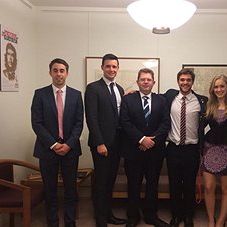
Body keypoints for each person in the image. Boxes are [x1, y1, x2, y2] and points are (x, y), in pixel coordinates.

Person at [31, 58, 84, 227]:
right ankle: (52, 223)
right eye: (55, 70)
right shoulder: (40, 94)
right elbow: (36, 123)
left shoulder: (76, 95)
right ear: (50, 73)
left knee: (70, 191)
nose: (59, 74)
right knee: (50, 190)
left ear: (67, 73)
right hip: (47, 151)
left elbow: (79, 123)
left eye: (62, 70)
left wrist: (68, 144)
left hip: (71, 150)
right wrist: (54, 145)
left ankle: (70, 222)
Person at [120, 68, 171, 227]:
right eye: (143, 79)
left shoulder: (162, 100)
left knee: (152, 186)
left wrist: (151, 141)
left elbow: (166, 123)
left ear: (153, 82)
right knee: (133, 186)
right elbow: (125, 122)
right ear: (138, 82)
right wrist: (141, 139)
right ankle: (133, 217)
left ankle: (151, 215)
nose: (146, 82)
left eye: (149, 79)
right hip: (133, 152)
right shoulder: (128, 100)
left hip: (155, 152)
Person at [84, 53, 127, 227]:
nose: (111, 69)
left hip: (117, 142)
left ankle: (108, 214)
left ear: (118, 68)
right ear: (102, 67)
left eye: (114, 66)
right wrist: (100, 142)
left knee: (110, 182)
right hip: (101, 144)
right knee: (101, 183)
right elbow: (91, 118)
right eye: (108, 66)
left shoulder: (120, 89)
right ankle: (100, 220)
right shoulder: (93, 88)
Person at [163, 68, 208, 227]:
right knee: (174, 184)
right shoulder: (170, 97)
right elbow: (151, 96)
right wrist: (132, 92)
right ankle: (176, 215)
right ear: (178, 81)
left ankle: (189, 216)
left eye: (188, 80)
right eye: (182, 80)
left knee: (189, 184)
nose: (185, 83)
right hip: (173, 148)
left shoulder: (202, 101)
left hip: (191, 149)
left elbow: (209, 120)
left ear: (192, 82)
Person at [201, 75, 227, 227]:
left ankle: (220, 222)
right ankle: (211, 220)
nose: (219, 90)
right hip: (209, 147)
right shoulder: (208, 105)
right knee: (209, 186)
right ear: (212, 89)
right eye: (216, 87)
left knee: (226, 188)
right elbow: (201, 126)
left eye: (222, 86)